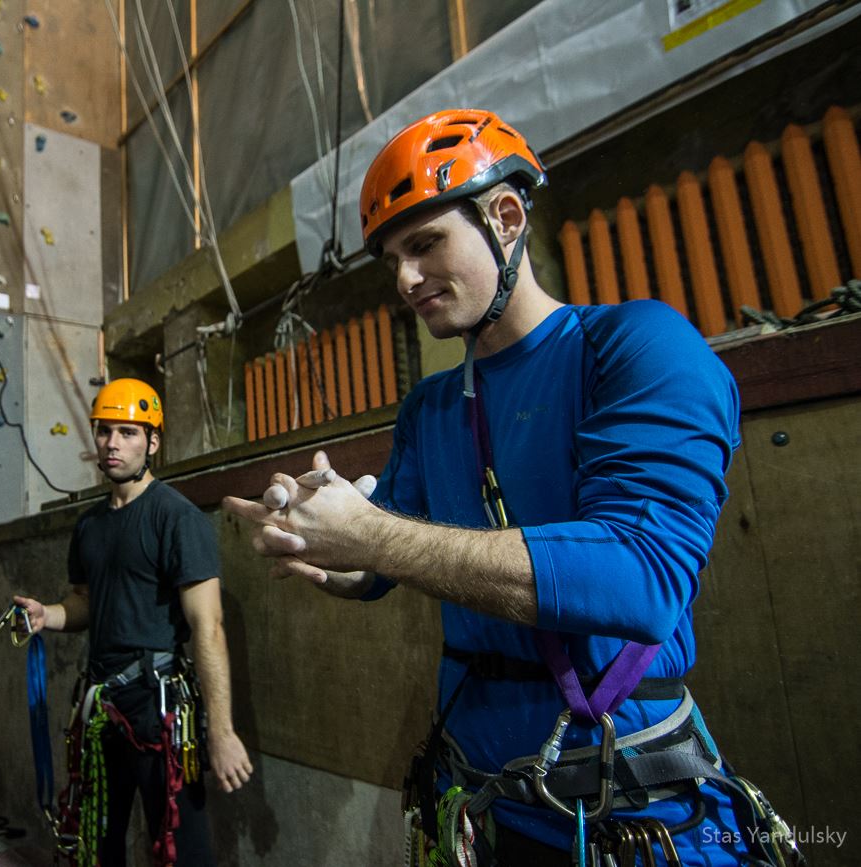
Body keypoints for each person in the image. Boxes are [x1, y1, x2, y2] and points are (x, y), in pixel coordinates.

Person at [223, 109, 800, 866]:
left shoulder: (638, 347)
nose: (403, 278)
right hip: (482, 799)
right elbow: (387, 558)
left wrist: (370, 533)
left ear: (505, 216)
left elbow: (641, 577)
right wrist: (326, 544)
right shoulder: (430, 407)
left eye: (425, 243)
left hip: (629, 804)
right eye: (392, 257)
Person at [15, 378, 253, 866]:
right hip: (101, 706)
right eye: (105, 432)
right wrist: (50, 616)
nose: (113, 444)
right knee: (99, 845)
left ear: (153, 442)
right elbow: (85, 602)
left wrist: (221, 732)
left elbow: (209, 628)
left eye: (127, 432)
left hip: (158, 707)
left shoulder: (176, 519)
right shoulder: (90, 525)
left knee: (182, 850)